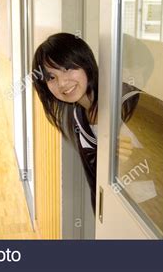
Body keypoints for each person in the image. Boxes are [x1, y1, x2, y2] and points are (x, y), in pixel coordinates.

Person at [32, 33, 140, 215]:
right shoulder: (77, 116)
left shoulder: (125, 102)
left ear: (85, 62)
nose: (62, 83)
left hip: (144, 215)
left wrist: (131, 157)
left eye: (67, 68)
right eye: (51, 77)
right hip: (111, 215)